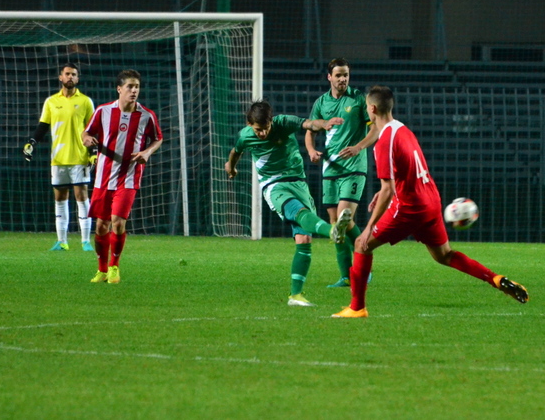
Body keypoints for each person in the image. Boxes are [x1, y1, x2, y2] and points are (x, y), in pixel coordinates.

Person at [332, 86, 529, 318]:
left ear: (372, 109)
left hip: (410, 207)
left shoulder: (384, 141)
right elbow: (403, 173)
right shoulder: (402, 129)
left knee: (361, 244)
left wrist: (368, 228)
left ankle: (357, 308)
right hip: (431, 201)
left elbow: (388, 189)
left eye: (367, 107)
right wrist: (387, 191)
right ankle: (496, 279)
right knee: (444, 255)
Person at [225, 100, 353, 307]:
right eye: (258, 130)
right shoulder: (245, 135)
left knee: (304, 239)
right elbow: (235, 151)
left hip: (298, 182)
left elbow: (308, 124)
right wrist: (231, 167)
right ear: (249, 125)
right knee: (298, 211)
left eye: (266, 128)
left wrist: (324, 123)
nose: (262, 133)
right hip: (273, 185)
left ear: (271, 121)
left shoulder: (283, 123)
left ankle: (295, 295)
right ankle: (331, 231)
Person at [81, 69, 163, 284]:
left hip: (129, 177)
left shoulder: (146, 115)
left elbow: (158, 138)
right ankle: (101, 270)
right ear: (119, 89)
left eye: (137, 87)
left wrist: (147, 152)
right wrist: (86, 139)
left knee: (117, 223)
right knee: (101, 226)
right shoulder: (103, 111)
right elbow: (86, 132)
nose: (134, 91)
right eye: (130, 87)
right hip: (103, 177)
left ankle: (114, 267)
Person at [305, 58, 378, 288]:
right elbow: (310, 130)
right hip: (330, 168)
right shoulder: (321, 102)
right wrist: (311, 151)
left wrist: (358, 147)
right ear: (329, 77)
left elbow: (375, 129)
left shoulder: (358, 99)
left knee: (344, 219)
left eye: (345, 74)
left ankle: (364, 267)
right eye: (338, 75)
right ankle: (346, 276)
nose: (343, 79)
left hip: (354, 168)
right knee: (336, 223)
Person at [23, 62, 96, 251]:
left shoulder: (86, 101)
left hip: (79, 157)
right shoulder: (51, 102)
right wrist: (32, 142)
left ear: (77, 79)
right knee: (60, 198)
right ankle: (62, 241)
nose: (70, 77)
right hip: (58, 158)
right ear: (60, 77)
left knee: (82, 197)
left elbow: (93, 129)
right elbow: (43, 126)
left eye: (73, 74)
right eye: (67, 74)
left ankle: (86, 241)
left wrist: (93, 153)